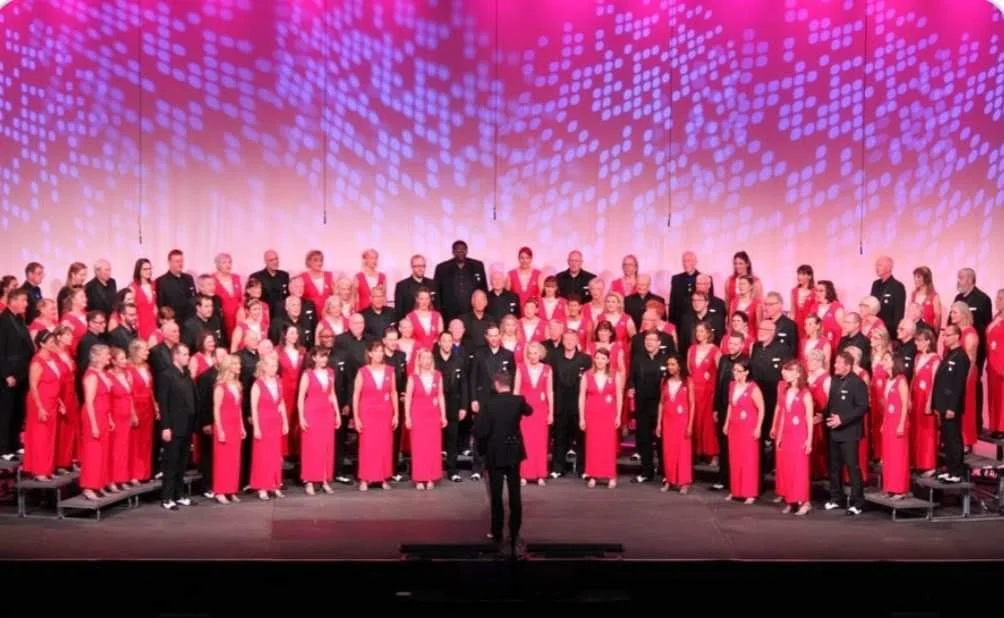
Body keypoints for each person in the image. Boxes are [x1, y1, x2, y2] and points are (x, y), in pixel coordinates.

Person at [473, 369, 532, 553]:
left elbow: (481, 431)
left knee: (496, 495)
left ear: (496, 385)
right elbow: (529, 411)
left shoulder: (490, 404)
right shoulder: (518, 401)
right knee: (515, 494)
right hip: (513, 451)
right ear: (510, 384)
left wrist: (481, 449)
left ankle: (497, 532)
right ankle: (514, 531)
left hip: (495, 452)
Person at [824, 351, 869, 515]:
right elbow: (830, 404)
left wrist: (842, 419)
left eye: (838, 363)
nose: (835, 365)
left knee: (852, 467)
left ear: (848, 366)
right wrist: (821, 416)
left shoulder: (857, 383)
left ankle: (858, 502)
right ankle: (837, 498)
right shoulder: (835, 380)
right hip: (834, 430)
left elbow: (863, 407)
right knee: (834, 467)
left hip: (850, 432)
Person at [156, 344, 198, 511]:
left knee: (182, 463)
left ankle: (179, 495)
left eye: (188, 354)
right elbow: (163, 403)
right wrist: (165, 427)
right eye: (185, 354)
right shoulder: (167, 375)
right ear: (176, 356)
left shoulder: (186, 375)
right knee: (171, 463)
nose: (188, 357)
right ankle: (167, 497)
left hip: (186, 425)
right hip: (173, 426)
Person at [933, 324, 970, 484]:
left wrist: (952, 407)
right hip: (943, 404)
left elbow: (958, 385)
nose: (945, 338)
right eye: (944, 335)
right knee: (947, 439)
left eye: (948, 335)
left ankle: (957, 471)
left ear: (957, 336)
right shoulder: (949, 354)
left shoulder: (961, 357)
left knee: (954, 439)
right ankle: (950, 469)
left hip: (951, 406)